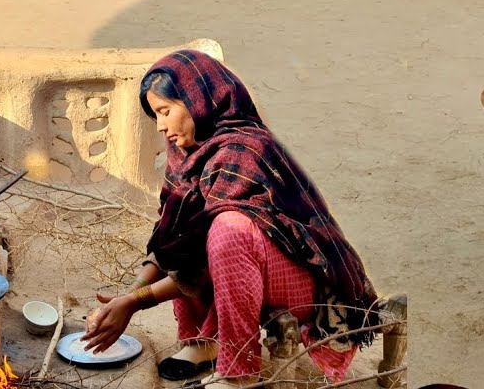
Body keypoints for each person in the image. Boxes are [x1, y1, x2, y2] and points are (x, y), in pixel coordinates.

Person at [80, 49, 380, 389]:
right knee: (183, 231)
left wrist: (134, 303)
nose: (161, 126)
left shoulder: (245, 149)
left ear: (196, 100)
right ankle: (204, 342)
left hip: (308, 283)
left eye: (165, 111)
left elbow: (203, 266)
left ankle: (239, 373)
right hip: (247, 271)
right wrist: (129, 293)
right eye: (155, 116)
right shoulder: (187, 153)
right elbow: (169, 240)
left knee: (228, 231)